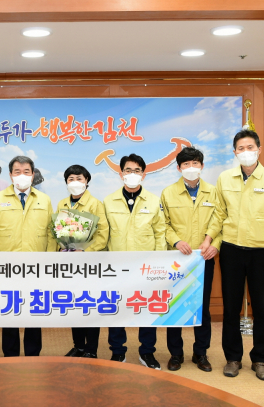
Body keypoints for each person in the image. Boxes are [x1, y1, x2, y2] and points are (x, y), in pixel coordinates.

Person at [210, 130, 264, 381]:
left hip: (262, 251)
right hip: (231, 250)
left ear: (259, 149)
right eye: (241, 148)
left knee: (261, 309)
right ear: (235, 152)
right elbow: (219, 213)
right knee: (231, 307)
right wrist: (209, 238)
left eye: (250, 147)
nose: (246, 152)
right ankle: (233, 358)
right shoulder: (225, 178)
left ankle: (260, 360)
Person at [0, 156, 57, 357]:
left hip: (37, 266)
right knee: (10, 311)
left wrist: (50, 260)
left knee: (34, 311)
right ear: (10, 175)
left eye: (26, 172)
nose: (22, 176)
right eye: (17, 172)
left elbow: (51, 231)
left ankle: (33, 354)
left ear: (33, 175)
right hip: (7, 266)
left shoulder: (44, 199)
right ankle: (10, 355)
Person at [160, 146, 223, 373]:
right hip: (177, 260)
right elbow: (163, 224)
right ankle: (175, 354)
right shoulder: (168, 193)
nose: (191, 167)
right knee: (175, 306)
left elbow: (220, 220)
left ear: (202, 166)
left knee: (202, 307)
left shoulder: (213, 192)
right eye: (186, 164)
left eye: (195, 163)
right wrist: (176, 241)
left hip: (203, 259)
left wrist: (213, 243)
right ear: (179, 168)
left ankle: (201, 353)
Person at [104, 154, 166, 369]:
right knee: (117, 310)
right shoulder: (109, 201)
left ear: (144, 175)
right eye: (128, 170)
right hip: (116, 265)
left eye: (137, 170)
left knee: (147, 310)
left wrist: (158, 263)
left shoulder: (153, 200)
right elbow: (104, 234)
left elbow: (160, 232)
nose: (132, 174)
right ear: (121, 174)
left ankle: (147, 352)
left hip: (146, 266)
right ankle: (117, 352)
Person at [57, 165, 109, 359]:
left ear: (87, 181)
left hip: (89, 263)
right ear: (66, 182)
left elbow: (103, 234)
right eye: (71, 179)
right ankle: (78, 346)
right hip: (69, 263)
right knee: (74, 305)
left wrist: (85, 250)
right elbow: (57, 230)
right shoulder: (62, 203)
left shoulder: (95, 204)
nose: (75, 182)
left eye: (79, 178)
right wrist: (61, 247)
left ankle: (91, 349)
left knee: (89, 304)